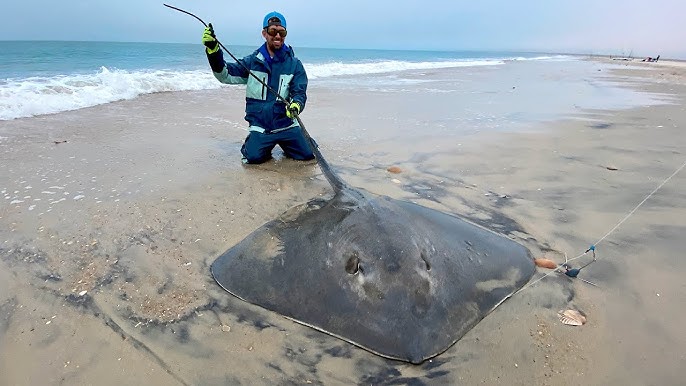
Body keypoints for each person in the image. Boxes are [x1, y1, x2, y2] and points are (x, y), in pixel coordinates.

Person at [202, 11, 315, 164]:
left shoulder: (295, 65)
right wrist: (213, 51)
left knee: (309, 154)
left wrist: (296, 104)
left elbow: (299, 92)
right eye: (272, 31)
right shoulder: (251, 62)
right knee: (253, 158)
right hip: (261, 127)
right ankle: (254, 145)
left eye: (282, 32)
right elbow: (224, 75)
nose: (277, 36)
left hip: (286, 125)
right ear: (264, 33)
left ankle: (296, 142)